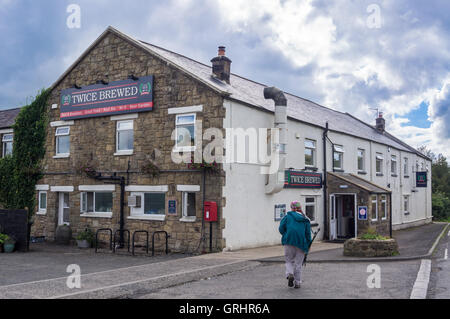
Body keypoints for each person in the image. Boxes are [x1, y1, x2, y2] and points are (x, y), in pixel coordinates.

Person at [278, 201, 312, 289]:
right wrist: (308, 244)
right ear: (300, 208)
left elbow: (281, 228)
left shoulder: (287, 217)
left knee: (289, 260)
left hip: (288, 241)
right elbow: (308, 233)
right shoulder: (305, 219)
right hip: (301, 243)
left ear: (291, 208)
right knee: (298, 263)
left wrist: (286, 235)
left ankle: (290, 273)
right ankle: (297, 283)